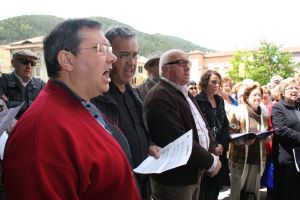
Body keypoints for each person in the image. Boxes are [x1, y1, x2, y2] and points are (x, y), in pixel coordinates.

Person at [2, 18, 140, 200]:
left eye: (110, 50)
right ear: (67, 60)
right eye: (101, 49)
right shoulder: (42, 136)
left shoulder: (83, 105)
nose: (113, 58)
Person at [92, 25, 160, 200]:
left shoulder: (134, 94)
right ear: (109, 56)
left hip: (143, 187)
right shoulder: (95, 99)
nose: (132, 62)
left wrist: (149, 145)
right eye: (124, 55)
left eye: (135, 55)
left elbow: (138, 130)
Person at [145, 49, 221, 200]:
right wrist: (211, 162)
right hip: (175, 181)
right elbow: (178, 140)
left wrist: (212, 150)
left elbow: (203, 126)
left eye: (188, 63)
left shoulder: (182, 92)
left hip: (192, 173)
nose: (187, 67)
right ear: (164, 69)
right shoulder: (160, 95)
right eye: (181, 63)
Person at [227, 83, 269, 200]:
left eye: (260, 95)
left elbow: (266, 130)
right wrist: (243, 141)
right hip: (239, 158)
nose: (258, 98)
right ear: (246, 96)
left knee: (253, 192)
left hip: (257, 158)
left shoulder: (265, 112)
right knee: (237, 192)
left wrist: (267, 138)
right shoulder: (237, 111)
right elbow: (230, 134)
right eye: (254, 95)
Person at [195, 70, 230, 200]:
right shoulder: (197, 100)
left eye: (218, 83)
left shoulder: (219, 100)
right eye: (213, 82)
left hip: (220, 149)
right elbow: (199, 128)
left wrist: (221, 144)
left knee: (216, 188)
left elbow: (225, 124)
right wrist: (212, 146)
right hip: (206, 150)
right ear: (205, 82)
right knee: (205, 190)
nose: (217, 85)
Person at [271, 78, 300, 200]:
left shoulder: (298, 106)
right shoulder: (278, 107)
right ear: (283, 92)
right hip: (286, 156)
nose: (294, 90)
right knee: (286, 190)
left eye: (296, 88)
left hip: (299, 155)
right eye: (291, 88)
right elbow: (281, 130)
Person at [0, 49, 45, 119]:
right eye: (25, 62)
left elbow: (47, 107)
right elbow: (1, 107)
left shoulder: (40, 84)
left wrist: (9, 104)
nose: (29, 67)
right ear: (14, 63)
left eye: (33, 63)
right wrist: (33, 105)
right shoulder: (4, 80)